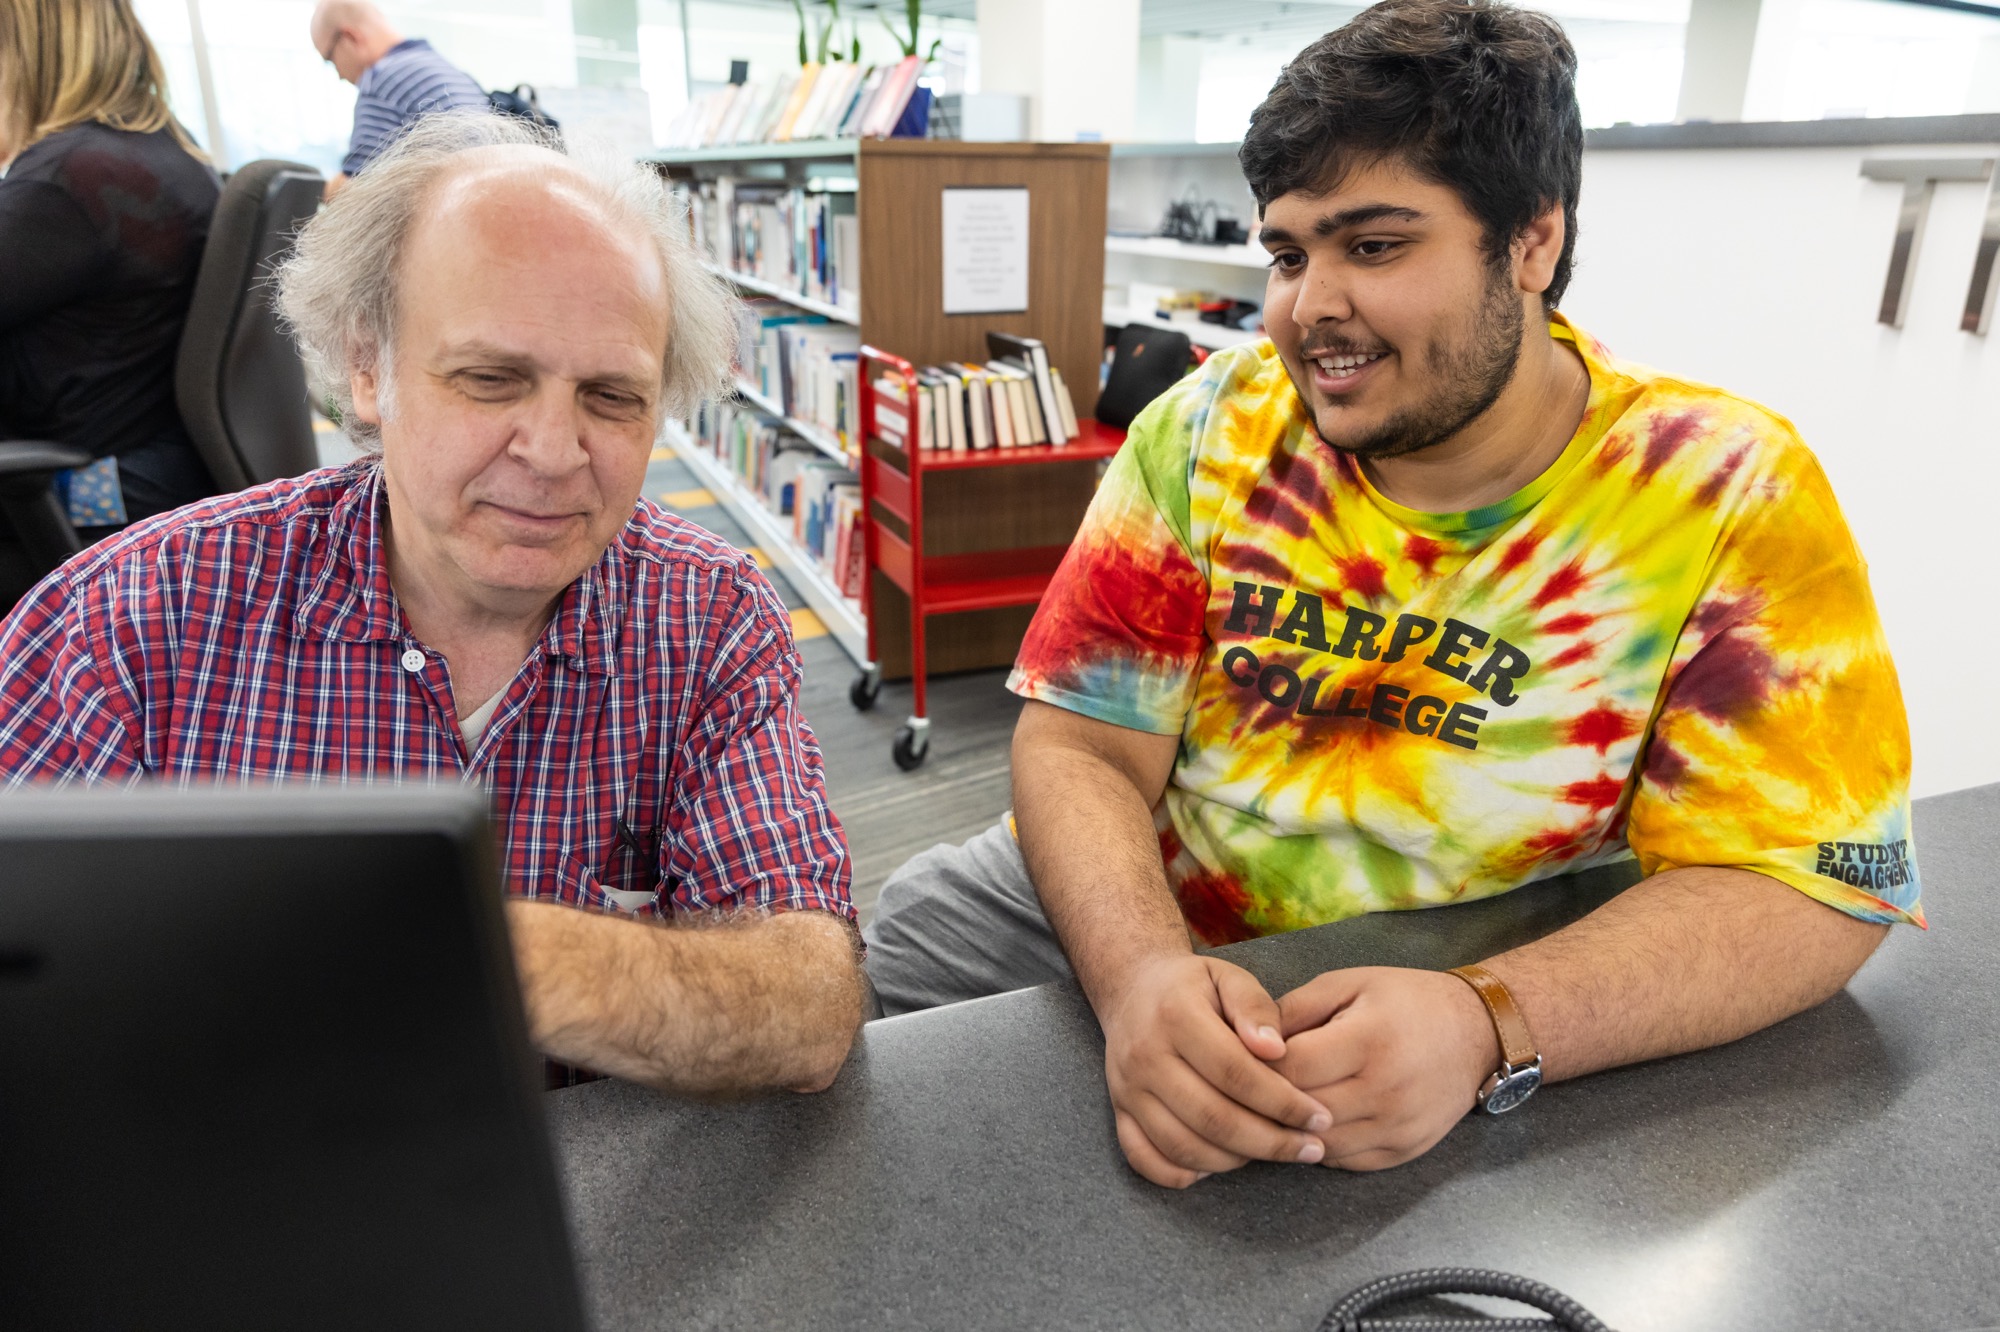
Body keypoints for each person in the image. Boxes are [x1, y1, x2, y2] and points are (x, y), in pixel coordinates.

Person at [865, 0, 1921, 1186]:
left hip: (1440, 959)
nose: (1307, 306)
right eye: (1287, 252)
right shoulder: (1209, 424)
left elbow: (1808, 885)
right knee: (833, 989)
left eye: (1370, 246)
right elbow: (1080, 749)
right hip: (1121, 894)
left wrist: (1490, 1021)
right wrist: (1139, 974)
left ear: (1529, 243)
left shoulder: (1719, 491)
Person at [0, 113, 867, 1096]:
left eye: (611, 398)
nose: (551, 452)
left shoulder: (708, 618)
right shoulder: (135, 617)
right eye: (490, 379)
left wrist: (484, 954)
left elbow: (808, 1006)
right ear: (368, 370)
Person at [0, 0, 219, 558]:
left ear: (25, 54)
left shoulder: (65, 180)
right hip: (160, 474)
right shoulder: (170, 152)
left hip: (93, 491)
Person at [311, 0, 488, 198]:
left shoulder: (381, 81)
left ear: (350, 38)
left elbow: (354, 193)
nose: (339, 75)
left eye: (330, 59)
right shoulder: (444, 67)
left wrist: (327, 191)